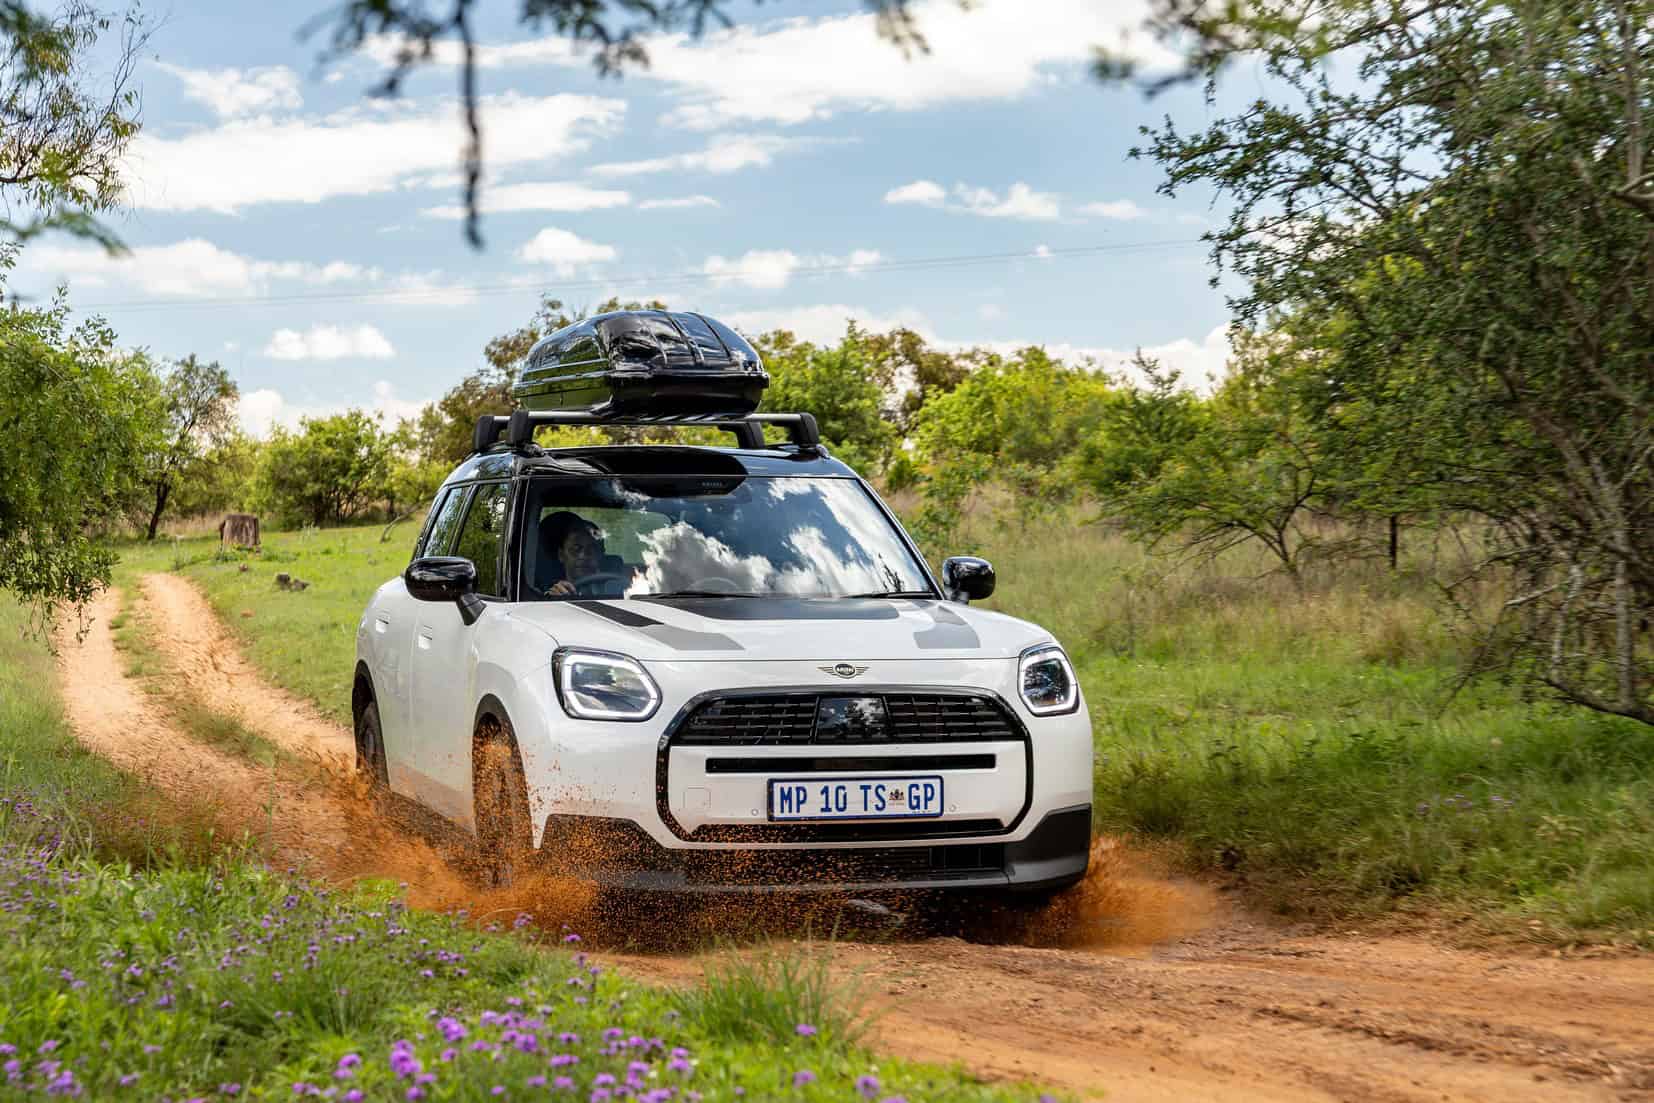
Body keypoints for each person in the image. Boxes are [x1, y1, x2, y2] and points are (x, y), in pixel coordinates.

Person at [538, 510, 607, 596]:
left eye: (592, 549)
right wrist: (553, 598)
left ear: (601, 554)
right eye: (576, 549)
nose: (583, 555)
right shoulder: (551, 593)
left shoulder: (617, 588)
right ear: (561, 555)